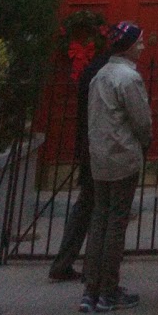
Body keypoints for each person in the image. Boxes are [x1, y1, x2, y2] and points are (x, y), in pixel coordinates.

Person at [80, 21, 151, 315]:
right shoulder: (127, 78)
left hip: (100, 158)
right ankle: (108, 291)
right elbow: (142, 122)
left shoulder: (99, 76)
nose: (144, 47)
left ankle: (90, 290)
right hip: (122, 158)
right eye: (140, 42)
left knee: (99, 221)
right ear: (130, 46)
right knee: (116, 225)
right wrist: (143, 144)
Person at [48, 40, 110, 282]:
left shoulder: (92, 70)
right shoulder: (105, 74)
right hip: (104, 151)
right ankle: (95, 267)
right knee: (103, 209)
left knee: (87, 205)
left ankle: (65, 261)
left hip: (90, 147)